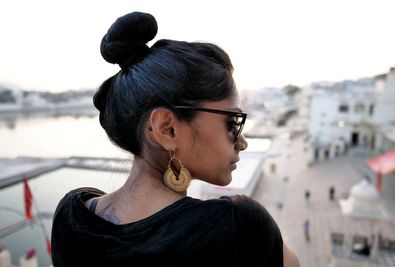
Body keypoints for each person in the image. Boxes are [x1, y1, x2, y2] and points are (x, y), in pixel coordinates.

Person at [50, 11, 299, 267]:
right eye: (233, 122)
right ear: (167, 129)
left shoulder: (71, 216)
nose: (242, 142)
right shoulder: (237, 227)